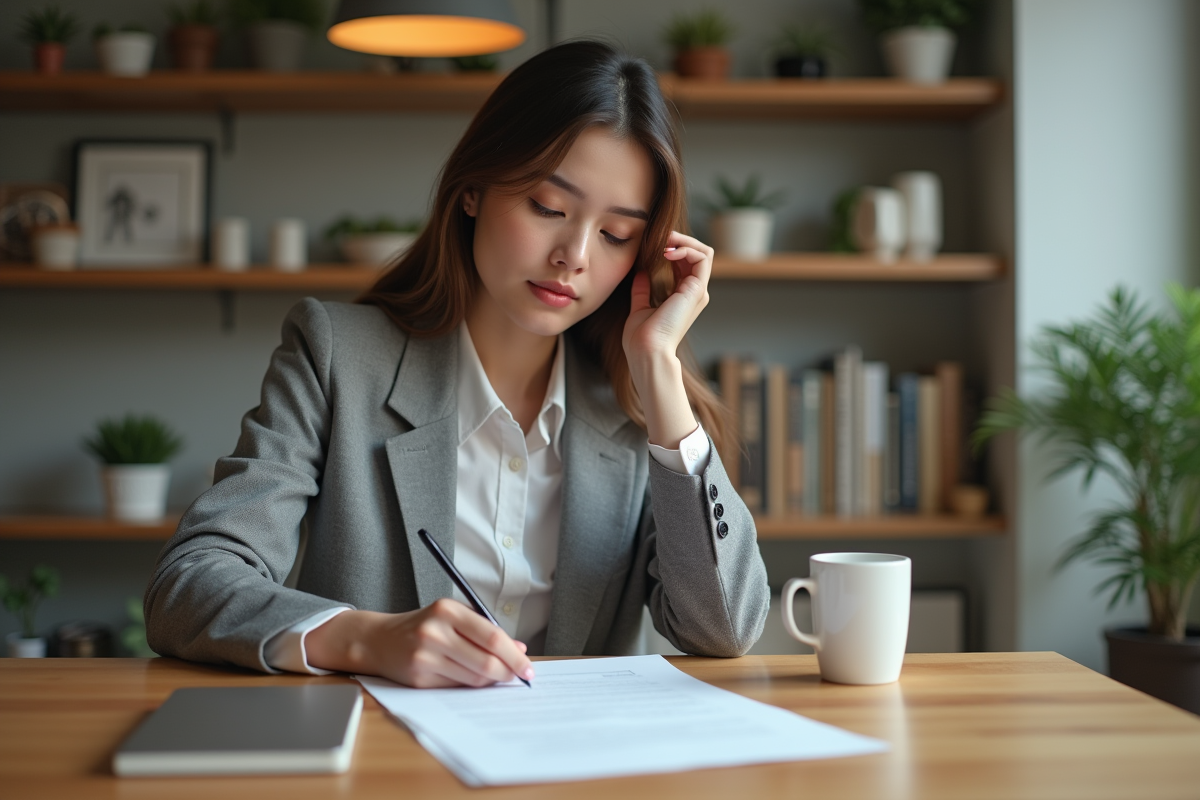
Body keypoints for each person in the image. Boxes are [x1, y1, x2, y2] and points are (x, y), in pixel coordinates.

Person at [145, 40, 769, 689]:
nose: (575, 255)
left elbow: (724, 628)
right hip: (375, 744)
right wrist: (366, 638)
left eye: (616, 235)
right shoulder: (336, 357)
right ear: (473, 190)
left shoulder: (641, 411)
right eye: (548, 208)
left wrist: (659, 371)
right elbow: (189, 583)